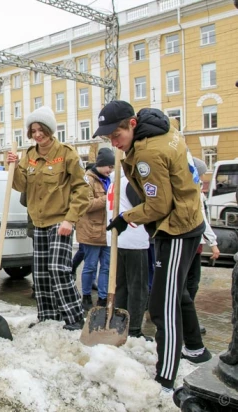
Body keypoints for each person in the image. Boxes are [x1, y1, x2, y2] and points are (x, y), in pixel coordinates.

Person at [97, 100, 209, 395]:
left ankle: (166, 376)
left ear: (132, 124)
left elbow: (159, 204)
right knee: (179, 293)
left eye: (116, 135)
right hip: (186, 219)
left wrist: (125, 218)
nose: (114, 142)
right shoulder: (160, 126)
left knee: (162, 306)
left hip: (177, 228)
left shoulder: (148, 153)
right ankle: (196, 349)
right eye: (108, 137)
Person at [7, 106, 89, 330]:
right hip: (38, 221)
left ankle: (74, 316)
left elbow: (82, 190)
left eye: (40, 129)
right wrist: (12, 167)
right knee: (41, 272)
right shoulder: (30, 156)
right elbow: (21, 185)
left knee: (58, 268)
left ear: (49, 129)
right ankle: (48, 317)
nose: (37, 135)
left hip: (60, 220)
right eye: (32, 131)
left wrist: (70, 220)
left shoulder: (66, 154)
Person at [106, 166, 152, 341]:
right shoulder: (131, 183)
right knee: (138, 287)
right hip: (134, 239)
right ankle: (133, 328)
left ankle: (120, 323)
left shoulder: (114, 182)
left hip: (118, 239)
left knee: (122, 284)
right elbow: (143, 208)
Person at [77, 148, 114, 310]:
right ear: (101, 164)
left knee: (106, 266)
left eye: (112, 167)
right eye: (108, 166)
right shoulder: (88, 180)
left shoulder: (110, 180)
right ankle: (85, 296)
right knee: (90, 265)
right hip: (91, 231)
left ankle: (102, 298)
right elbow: (87, 205)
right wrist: (109, 198)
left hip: (107, 231)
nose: (110, 170)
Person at [188, 157, 221, 335]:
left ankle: (188, 318)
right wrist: (213, 243)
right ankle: (187, 319)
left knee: (190, 283)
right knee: (191, 283)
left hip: (195, 242)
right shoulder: (194, 191)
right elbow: (202, 220)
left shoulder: (196, 189)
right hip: (194, 241)